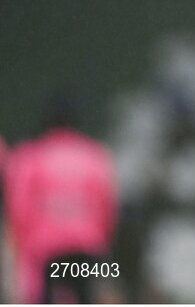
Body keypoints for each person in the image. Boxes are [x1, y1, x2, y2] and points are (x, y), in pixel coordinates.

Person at [1, 105, 119, 303]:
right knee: (90, 296)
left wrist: (20, 249)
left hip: (46, 251)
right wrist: (101, 241)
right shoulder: (94, 155)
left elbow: (19, 208)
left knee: (45, 299)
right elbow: (107, 206)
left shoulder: (31, 156)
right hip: (89, 246)